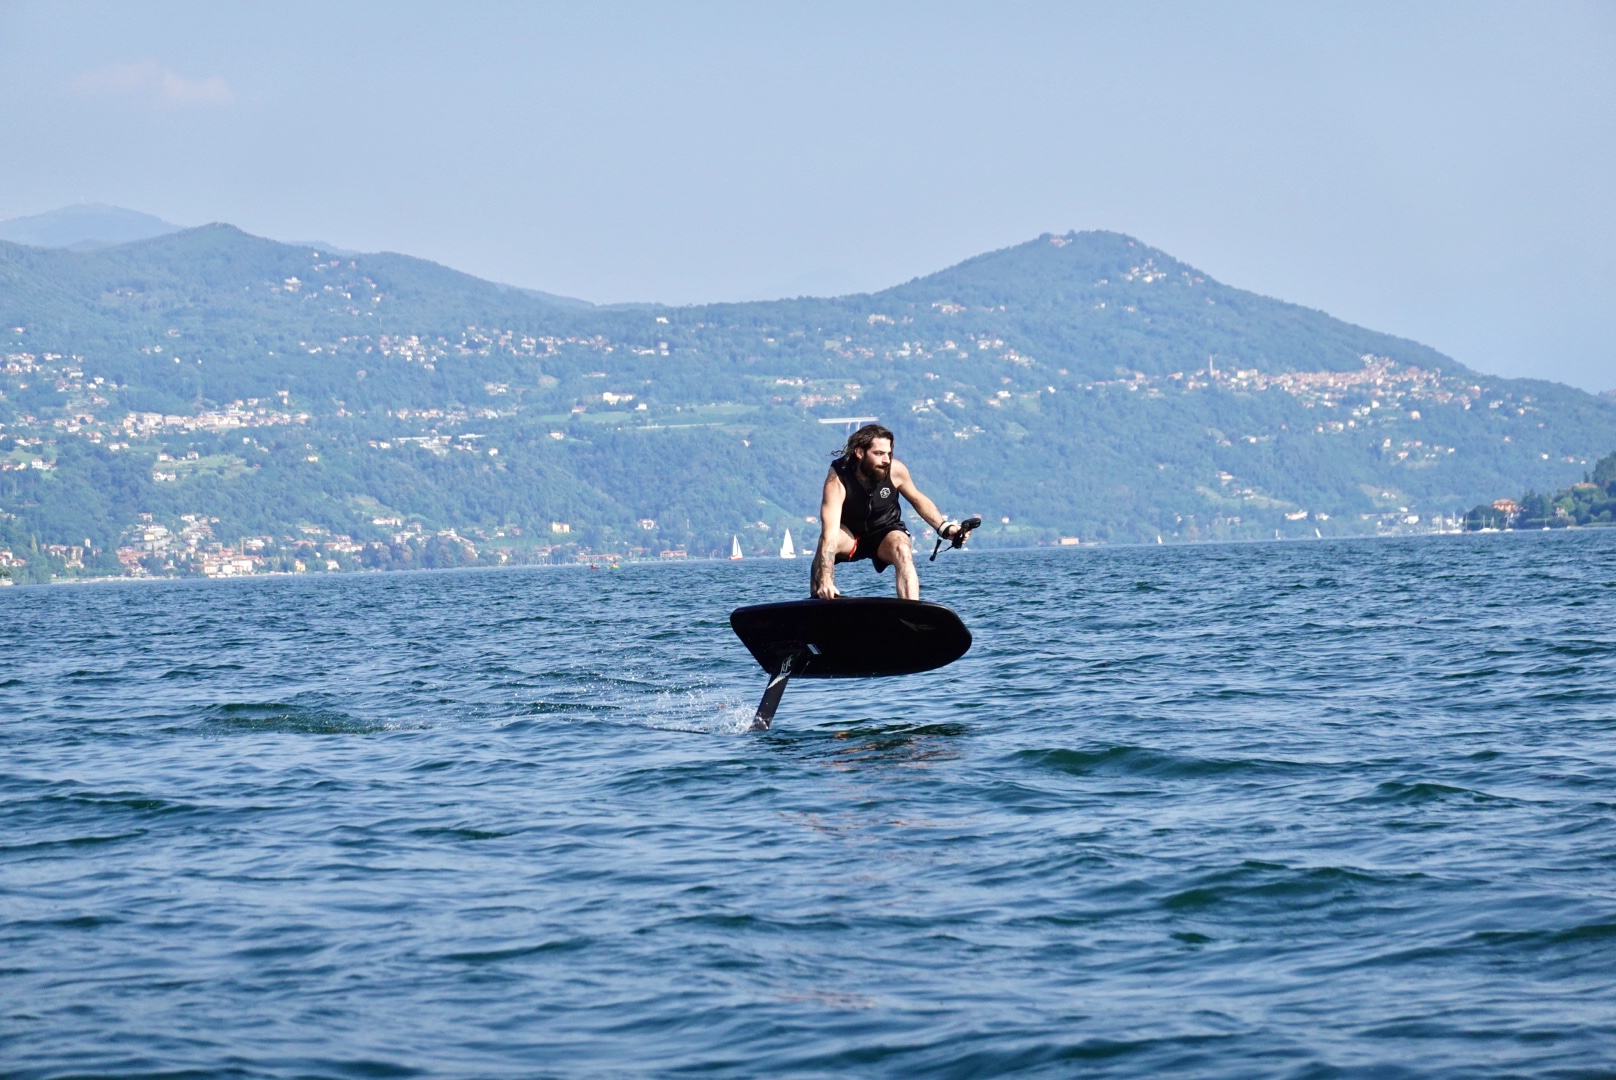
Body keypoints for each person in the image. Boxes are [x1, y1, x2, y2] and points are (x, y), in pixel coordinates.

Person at [811, 423, 969, 600]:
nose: (886, 460)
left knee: (902, 548)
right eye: (879, 454)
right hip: (850, 536)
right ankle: (820, 599)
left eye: (889, 453)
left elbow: (918, 499)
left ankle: (911, 612)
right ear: (860, 453)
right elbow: (830, 534)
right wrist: (825, 579)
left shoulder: (895, 470)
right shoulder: (837, 479)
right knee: (825, 544)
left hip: (884, 533)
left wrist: (945, 528)